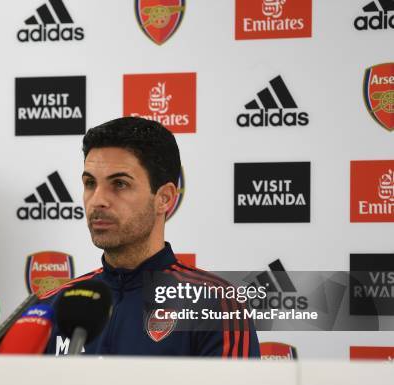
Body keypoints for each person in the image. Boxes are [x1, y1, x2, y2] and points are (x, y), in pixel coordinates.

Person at [42, 117, 260, 357]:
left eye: (120, 184)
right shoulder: (52, 305)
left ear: (165, 198)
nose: (97, 200)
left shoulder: (215, 305)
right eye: (90, 183)